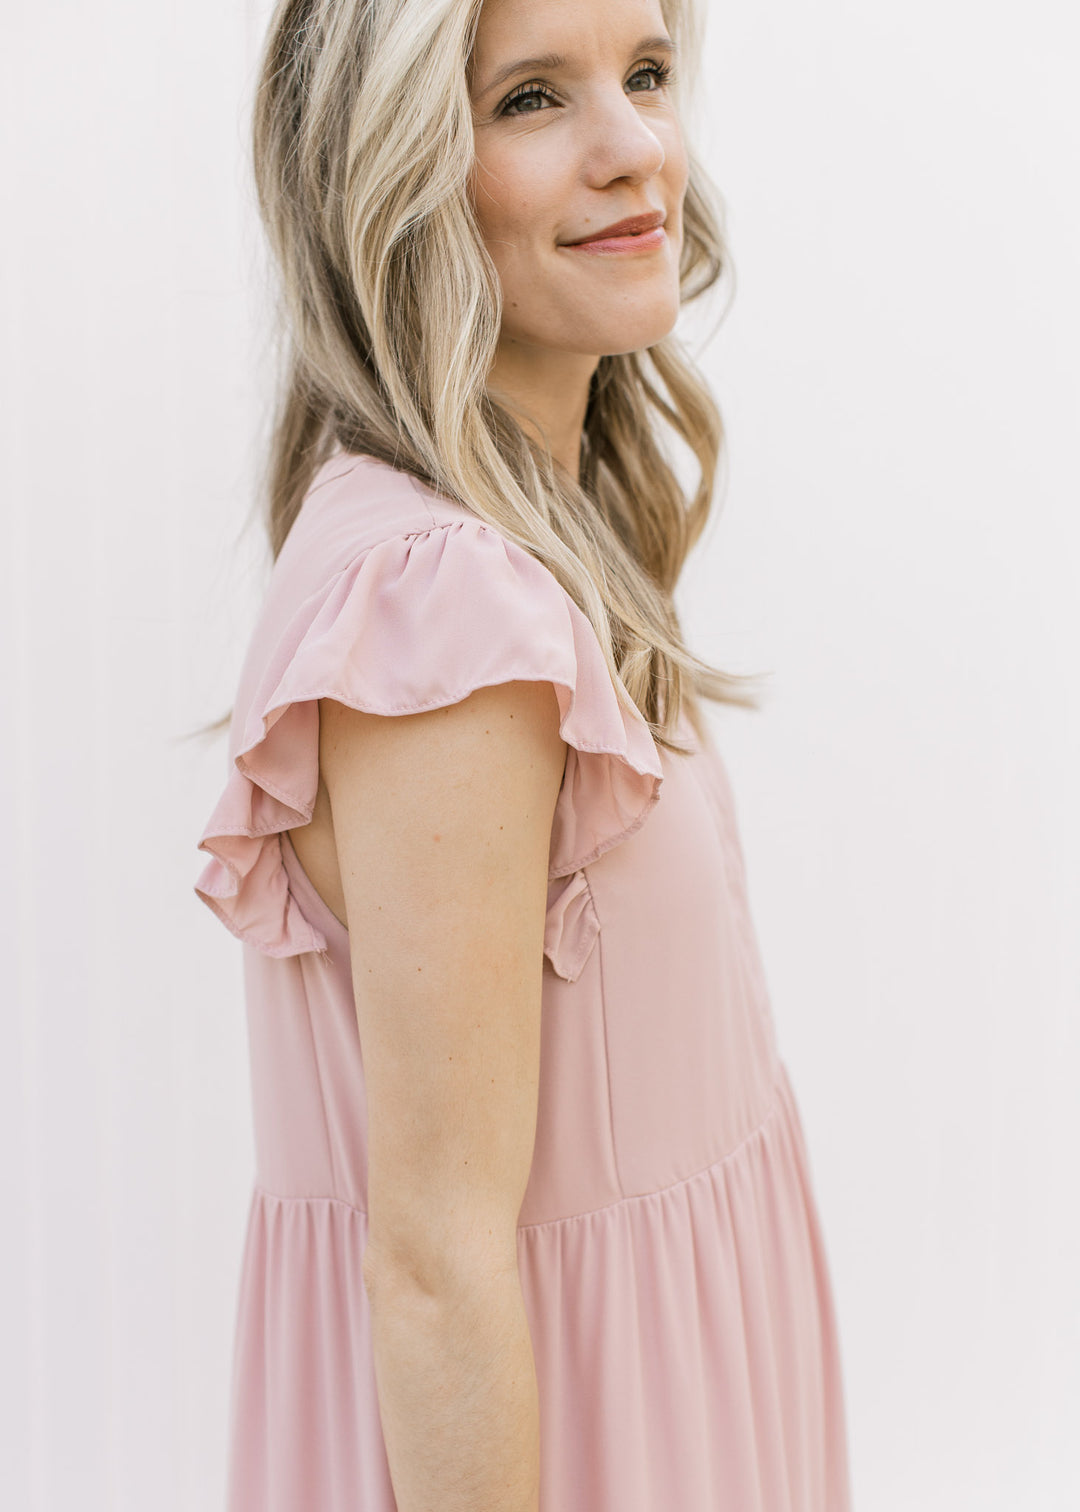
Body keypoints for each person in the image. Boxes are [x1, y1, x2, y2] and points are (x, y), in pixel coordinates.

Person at [194, 0, 853, 1507]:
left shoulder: (527, 546)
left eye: (645, 74)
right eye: (535, 100)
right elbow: (435, 1265)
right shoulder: (447, 614)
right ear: (398, 175)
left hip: (679, 1392)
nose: (636, 150)